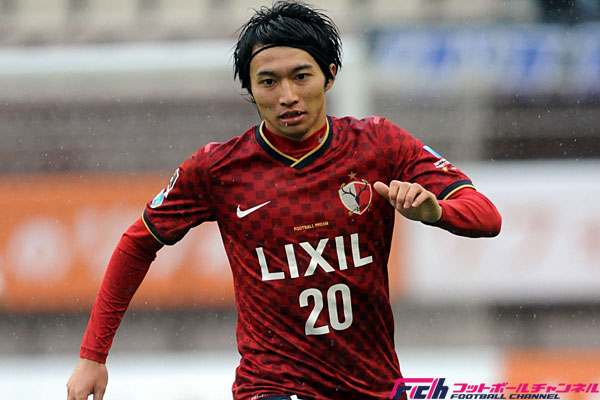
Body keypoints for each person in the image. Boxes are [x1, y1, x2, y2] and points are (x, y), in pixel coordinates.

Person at [66, 2, 502, 399]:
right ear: (250, 89)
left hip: (372, 384)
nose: (287, 96)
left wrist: (438, 212)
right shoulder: (217, 169)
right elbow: (138, 243)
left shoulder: (378, 144)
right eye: (268, 82)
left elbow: (487, 216)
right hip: (272, 385)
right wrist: (92, 356)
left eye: (301, 76)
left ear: (330, 74)